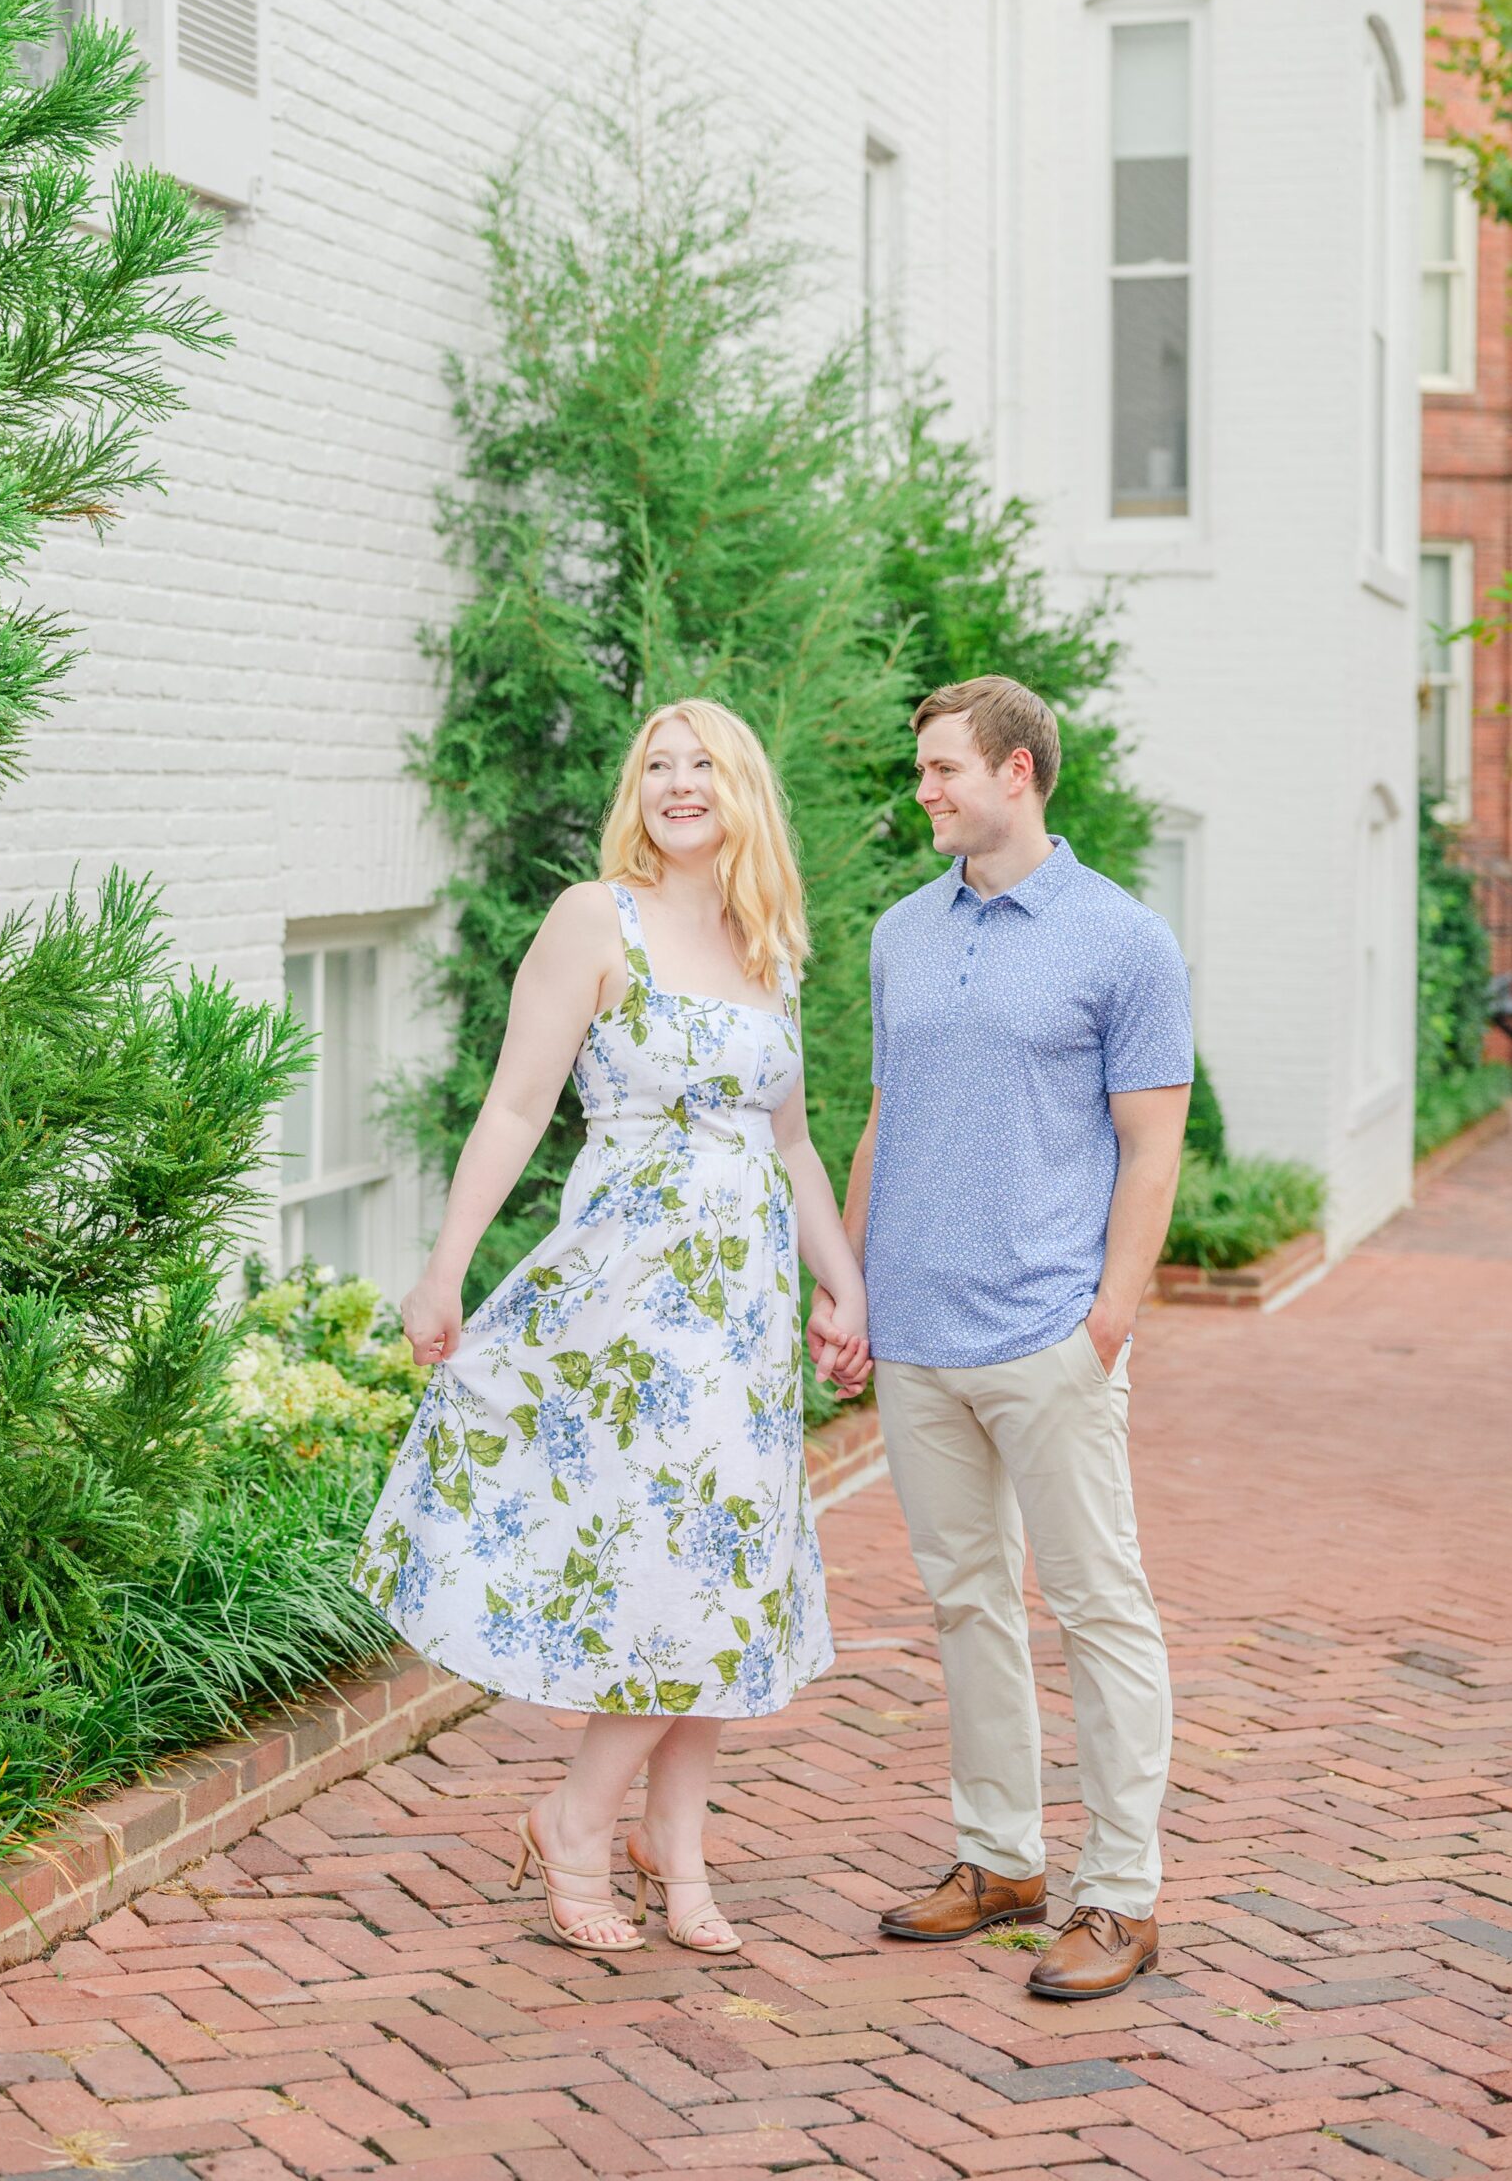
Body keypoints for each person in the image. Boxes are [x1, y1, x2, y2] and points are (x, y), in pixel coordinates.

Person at [354, 697, 869, 1955]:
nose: (678, 782)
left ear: (743, 789)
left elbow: (790, 1140)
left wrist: (841, 1279)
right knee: (669, 1565)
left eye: (702, 764)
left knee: (723, 1577)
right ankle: (579, 1822)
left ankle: (673, 1848)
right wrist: (444, 1270)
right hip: (626, 1307)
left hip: (737, 1322)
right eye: (656, 764)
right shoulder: (598, 917)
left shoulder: (770, 944)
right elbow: (516, 1106)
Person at [815, 676, 1191, 2000]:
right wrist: (850, 1289)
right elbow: (882, 1116)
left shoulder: (1121, 941)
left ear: (1017, 773)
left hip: (1046, 1331)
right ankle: (998, 1858)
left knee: (1096, 1610)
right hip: (916, 1332)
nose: (922, 790)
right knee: (963, 1602)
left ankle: (1120, 1896)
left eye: (940, 770)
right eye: (920, 770)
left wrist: (1108, 1320)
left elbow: (1151, 1144)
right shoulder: (899, 934)